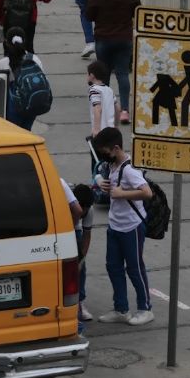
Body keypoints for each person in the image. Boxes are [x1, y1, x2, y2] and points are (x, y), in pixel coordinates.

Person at [93, 127, 155, 326]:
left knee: (135, 268)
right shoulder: (111, 166)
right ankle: (121, 308)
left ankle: (145, 308)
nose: (104, 156)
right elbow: (100, 174)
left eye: (105, 152)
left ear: (116, 148)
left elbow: (147, 193)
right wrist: (99, 182)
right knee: (113, 267)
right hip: (115, 225)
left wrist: (122, 194)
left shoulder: (129, 169)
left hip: (131, 227)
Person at [86, 0, 140, 124]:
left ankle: (107, 108)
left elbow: (89, 15)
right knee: (123, 73)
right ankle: (124, 111)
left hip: (104, 39)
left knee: (104, 74)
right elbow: (138, 10)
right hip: (124, 39)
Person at [0, 27, 45, 130]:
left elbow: (1, 88)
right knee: (27, 131)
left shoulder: (3, 62)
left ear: (6, 42)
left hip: (13, 106)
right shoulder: (34, 59)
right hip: (31, 104)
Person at [72, 183, 95, 322]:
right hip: (61, 225)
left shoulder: (89, 210)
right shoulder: (65, 202)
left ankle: (80, 301)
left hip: (76, 230)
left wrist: (82, 259)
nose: (83, 214)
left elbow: (87, 235)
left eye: (84, 212)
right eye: (81, 211)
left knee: (81, 268)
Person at [87, 60, 116, 138]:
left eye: (88, 75)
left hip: (101, 132)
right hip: (111, 130)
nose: (87, 77)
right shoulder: (109, 90)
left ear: (92, 76)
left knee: (96, 150)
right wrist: (116, 126)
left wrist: (96, 129)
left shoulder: (94, 90)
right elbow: (117, 107)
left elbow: (97, 108)